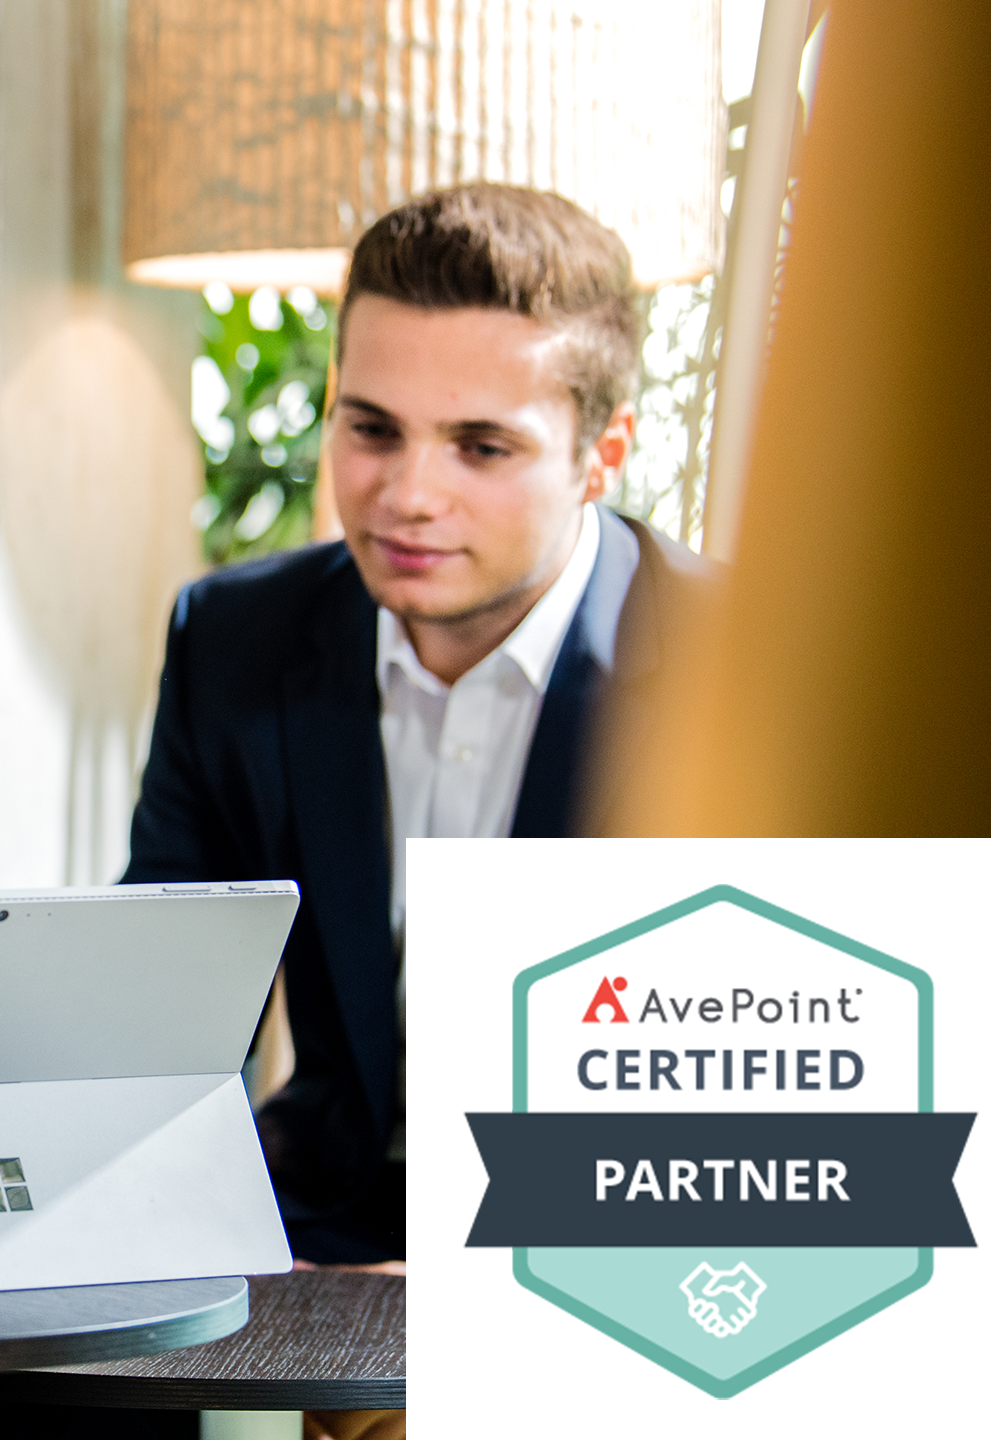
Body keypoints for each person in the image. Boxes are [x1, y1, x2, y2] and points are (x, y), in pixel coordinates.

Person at [123, 184, 711, 1266]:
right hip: (310, 1232)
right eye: (372, 428)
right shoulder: (233, 638)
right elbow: (155, 1026)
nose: (408, 494)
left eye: (480, 447)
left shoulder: (738, 669)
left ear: (602, 452)